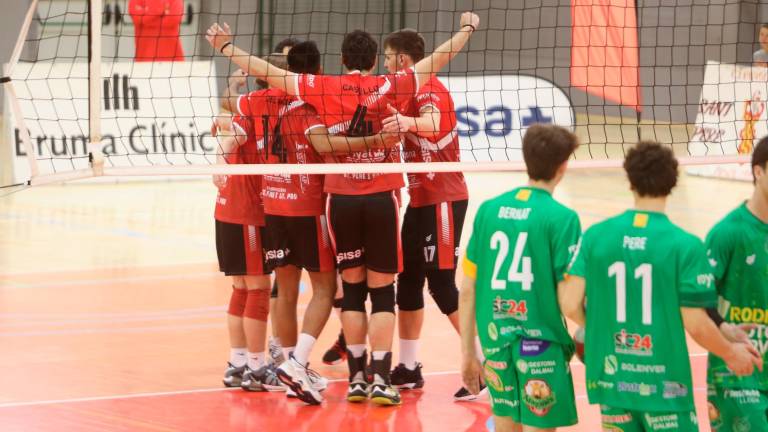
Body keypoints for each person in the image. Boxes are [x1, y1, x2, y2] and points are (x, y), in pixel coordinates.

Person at [206, 11, 480, 406]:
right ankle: (382, 378)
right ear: (373, 61)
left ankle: (351, 377)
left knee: (348, 289)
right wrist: (466, 30)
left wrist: (226, 49)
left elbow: (266, 69)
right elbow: (438, 59)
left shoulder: (322, 87)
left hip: (338, 202)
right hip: (382, 199)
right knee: (382, 292)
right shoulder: (392, 85)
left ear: (343, 59)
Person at [560, 141, 762, 431]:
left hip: (614, 381)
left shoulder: (596, 237)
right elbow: (695, 323)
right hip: (666, 388)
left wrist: (604, 331)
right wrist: (731, 353)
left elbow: (569, 303)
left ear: (630, 181)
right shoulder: (685, 245)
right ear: (673, 182)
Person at [459, 124, 581, 431]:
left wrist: (467, 354)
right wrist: (595, 331)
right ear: (563, 166)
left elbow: (468, 289)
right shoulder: (563, 218)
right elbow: (568, 301)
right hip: (542, 344)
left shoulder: (488, 210)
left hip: (496, 342)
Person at [379, 28, 476, 400]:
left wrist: (407, 124)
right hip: (419, 199)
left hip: (444, 198)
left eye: (388, 57)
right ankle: (408, 367)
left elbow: (434, 123)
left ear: (403, 60)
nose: (385, 64)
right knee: (408, 280)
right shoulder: (404, 91)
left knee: (441, 284)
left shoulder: (430, 90)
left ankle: (481, 368)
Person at [706, 136, 768, 431]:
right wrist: (724, 332)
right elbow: (699, 298)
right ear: (758, 172)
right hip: (738, 372)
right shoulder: (727, 233)